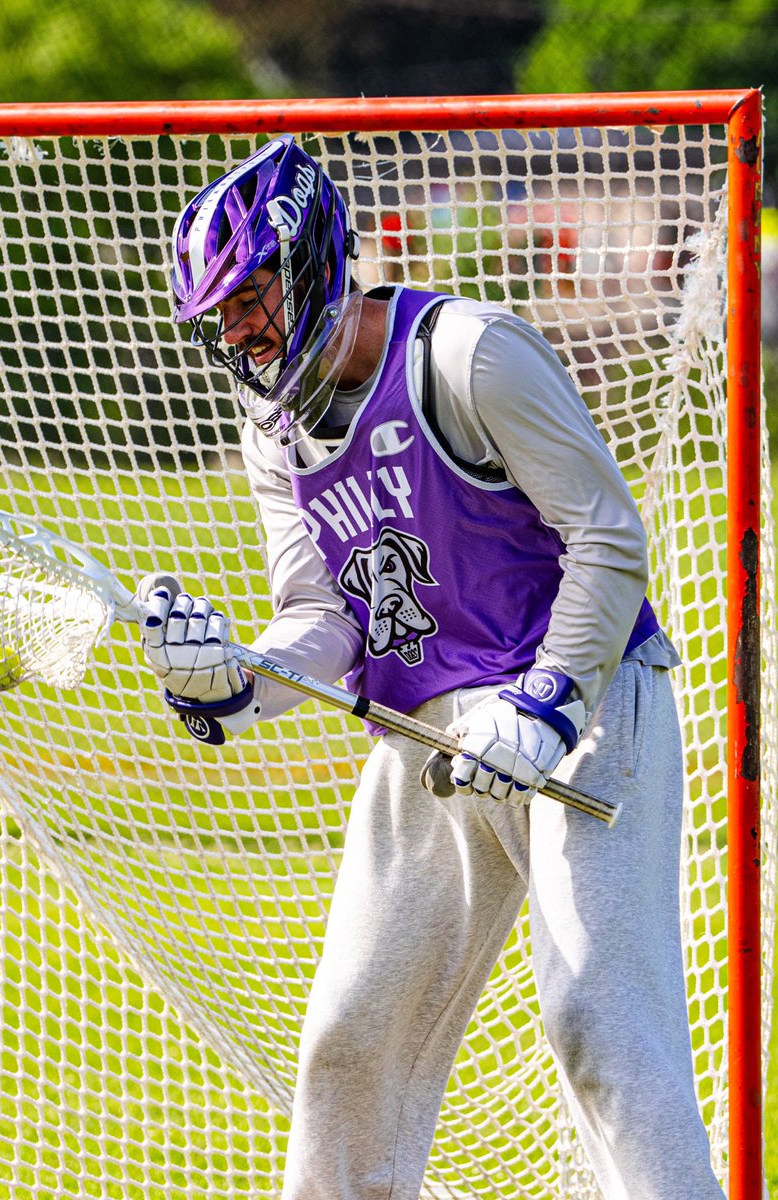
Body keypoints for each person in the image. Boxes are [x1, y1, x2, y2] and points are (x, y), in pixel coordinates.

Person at [139, 134, 726, 1200]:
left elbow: (608, 539)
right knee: (352, 1041)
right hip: (427, 730)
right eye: (219, 316)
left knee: (600, 1015)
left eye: (249, 296)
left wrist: (546, 703)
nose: (238, 331)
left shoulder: (469, 352)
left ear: (314, 257)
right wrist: (227, 674)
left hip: (583, 703)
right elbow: (323, 618)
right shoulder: (274, 429)